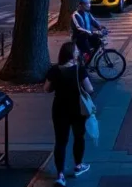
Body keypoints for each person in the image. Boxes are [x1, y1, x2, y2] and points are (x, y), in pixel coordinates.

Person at [44, 41, 94, 186]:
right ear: (72, 54)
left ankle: (60, 175)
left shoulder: (54, 70)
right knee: (79, 137)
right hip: (78, 109)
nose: (78, 52)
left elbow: (47, 88)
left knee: (60, 141)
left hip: (59, 108)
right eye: (76, 50)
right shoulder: (79, 70)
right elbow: (89, 89)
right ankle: (78, 165)